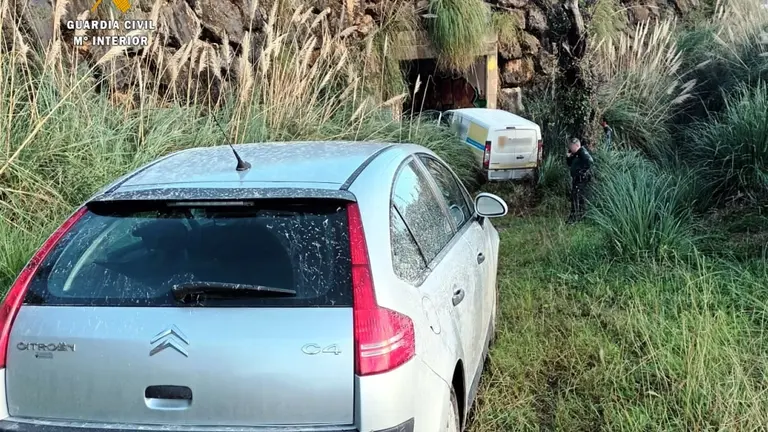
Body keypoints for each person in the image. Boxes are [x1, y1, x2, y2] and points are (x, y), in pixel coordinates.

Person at [566, 137, 595, 224]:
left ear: (576, 145)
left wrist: (582, 172)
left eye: (571, 146)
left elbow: (590, 161)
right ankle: (578, 216)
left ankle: (576, 218)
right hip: (575, 178)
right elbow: (570, 164)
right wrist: (568, 157)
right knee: (576, 197)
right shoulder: (575, 154)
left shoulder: (582, 152)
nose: (570, 148)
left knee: (577, 197)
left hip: (581, 179)